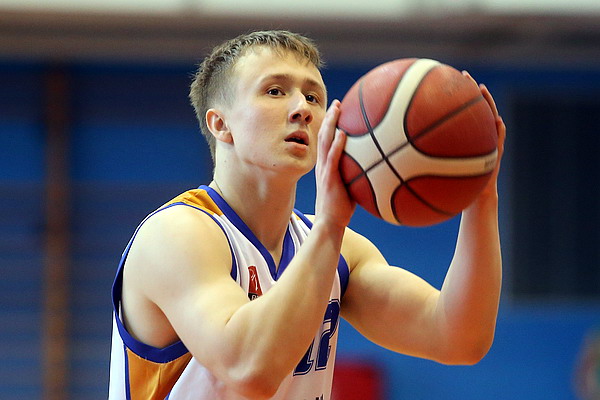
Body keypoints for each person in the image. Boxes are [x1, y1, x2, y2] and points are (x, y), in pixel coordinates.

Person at [108, 30, 505, 400]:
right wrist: (330, 225)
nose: (302, 109)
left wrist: (480, 195)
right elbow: (249, 369)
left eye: (314, 97)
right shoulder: (176, 234)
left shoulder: (339, 250)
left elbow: (459, 338)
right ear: (221, 124)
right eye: (275, 91)